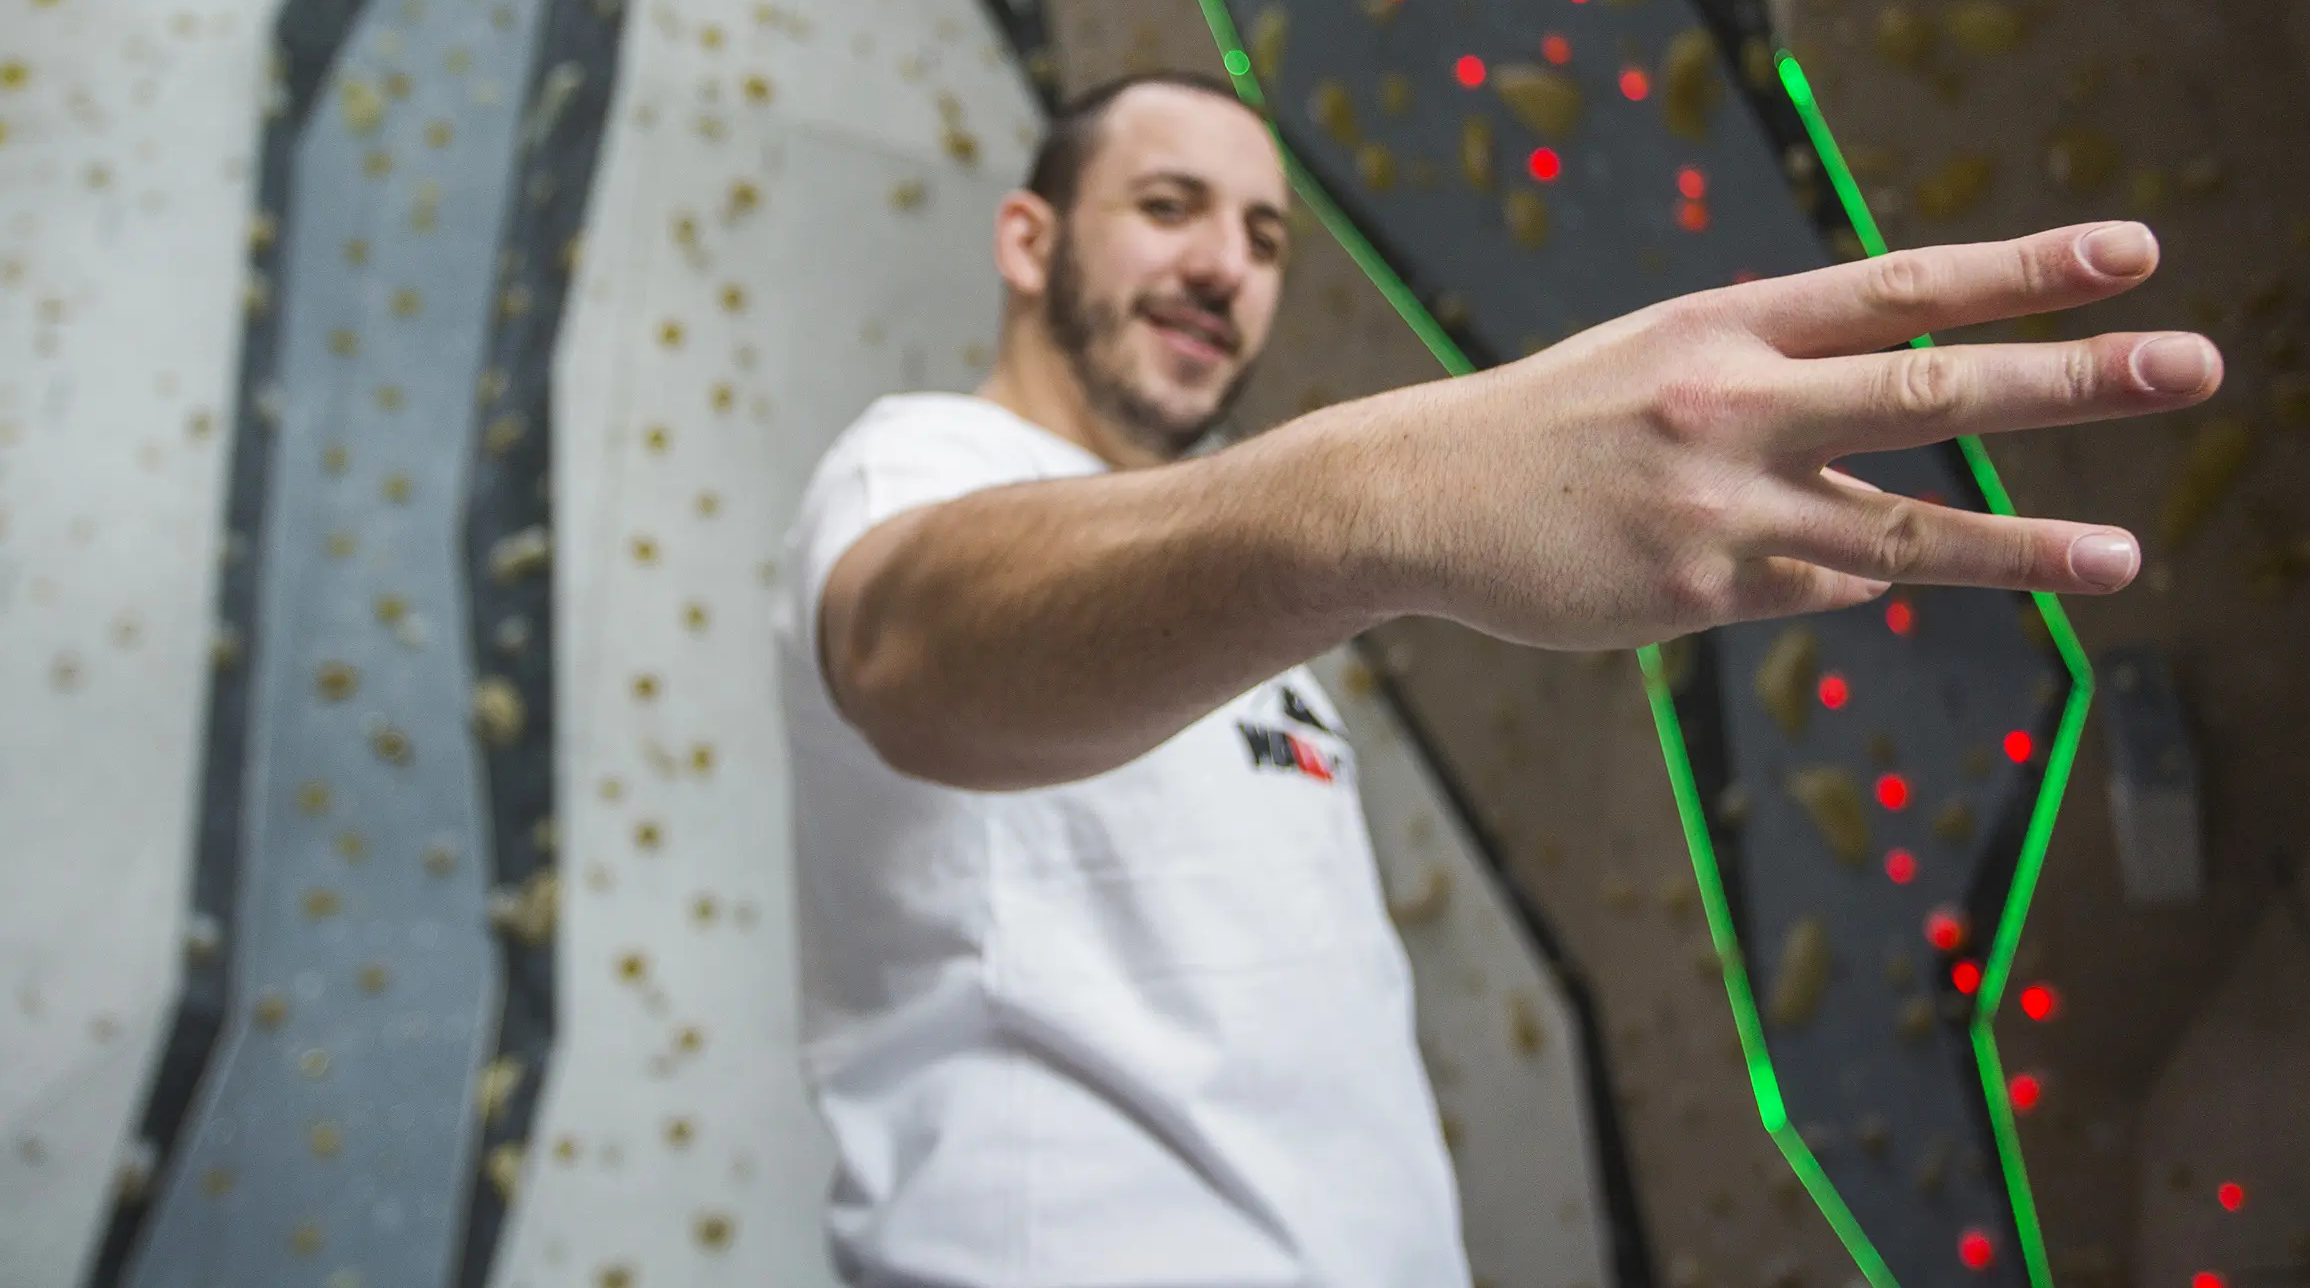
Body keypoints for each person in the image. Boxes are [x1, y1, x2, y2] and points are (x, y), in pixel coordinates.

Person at [771, 71, 2221, 1286]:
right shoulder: (924, 465)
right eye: (1168, 208)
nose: (1227, 266)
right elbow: (916, 650)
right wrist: (1392, 486)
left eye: (1266, 236)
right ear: (1028, 241)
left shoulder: (1218, 574)